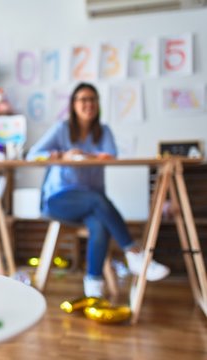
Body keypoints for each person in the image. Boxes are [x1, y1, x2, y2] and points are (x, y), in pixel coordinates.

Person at [27, 82, 170, 298]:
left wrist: (91, 156)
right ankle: (133, 253)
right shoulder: (62, 129)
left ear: (98, 104)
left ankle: (93, 285)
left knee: (100, 224)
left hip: (92, 202)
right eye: (83, 99)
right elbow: (32, 155)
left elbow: (111, 156)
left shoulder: (103, 132)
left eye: (92, 99)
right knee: (96, 200)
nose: (88, 104)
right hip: (59, 200)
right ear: (73, 104)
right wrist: (60, 155)